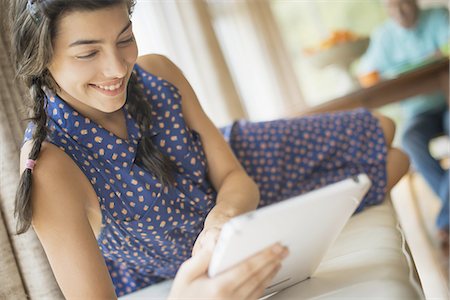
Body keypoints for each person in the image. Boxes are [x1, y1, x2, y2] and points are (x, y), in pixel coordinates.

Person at [10, 0, 409, 298]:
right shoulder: (50, 167)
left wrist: (224, 219)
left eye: (125, 39)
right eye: (88, 53)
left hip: (241, 175)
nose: (117, 68)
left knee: (386, 127)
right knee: (397, 161)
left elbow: (236, 178)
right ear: (41, 59)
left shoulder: (158, 73)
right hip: (186, 253)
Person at [358, 0, 450, 247]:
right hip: (420, 113)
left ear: (415, 2)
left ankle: (445, 219)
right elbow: (367, 72)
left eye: (403, 4)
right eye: (391, 7)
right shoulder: (384, 36)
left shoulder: (438, 17)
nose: (399, 12)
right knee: (410, 140)